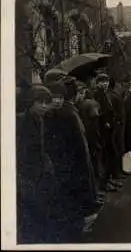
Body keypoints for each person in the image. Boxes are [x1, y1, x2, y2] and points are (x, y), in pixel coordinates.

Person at [44, 80, 97, 243]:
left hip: (70, 164)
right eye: (53, 97)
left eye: (60, 97)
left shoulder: (69, 115)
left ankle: (75, 230)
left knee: (71, 199)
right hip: (55, 164)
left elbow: (80, 146)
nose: (57, 101)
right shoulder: (46, 115)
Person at [16, 85, 57, 243]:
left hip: (38, 172)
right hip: (27, 174)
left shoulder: (40, 119)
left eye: (47, 102)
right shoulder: (22, 121)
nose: (44, 106)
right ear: (31, 103)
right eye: (40, 102)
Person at [93, 73, 123, 191]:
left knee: (111, 153)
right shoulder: (97, 94)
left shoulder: (105, 94)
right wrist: (106, 121)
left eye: (106, 81)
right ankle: (104, 182)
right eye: (102, 81)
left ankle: (109, 179)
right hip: (103, 129)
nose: (105, 84)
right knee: (105, 155)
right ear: (97, 83)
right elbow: (101, 111)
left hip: (110, 129)